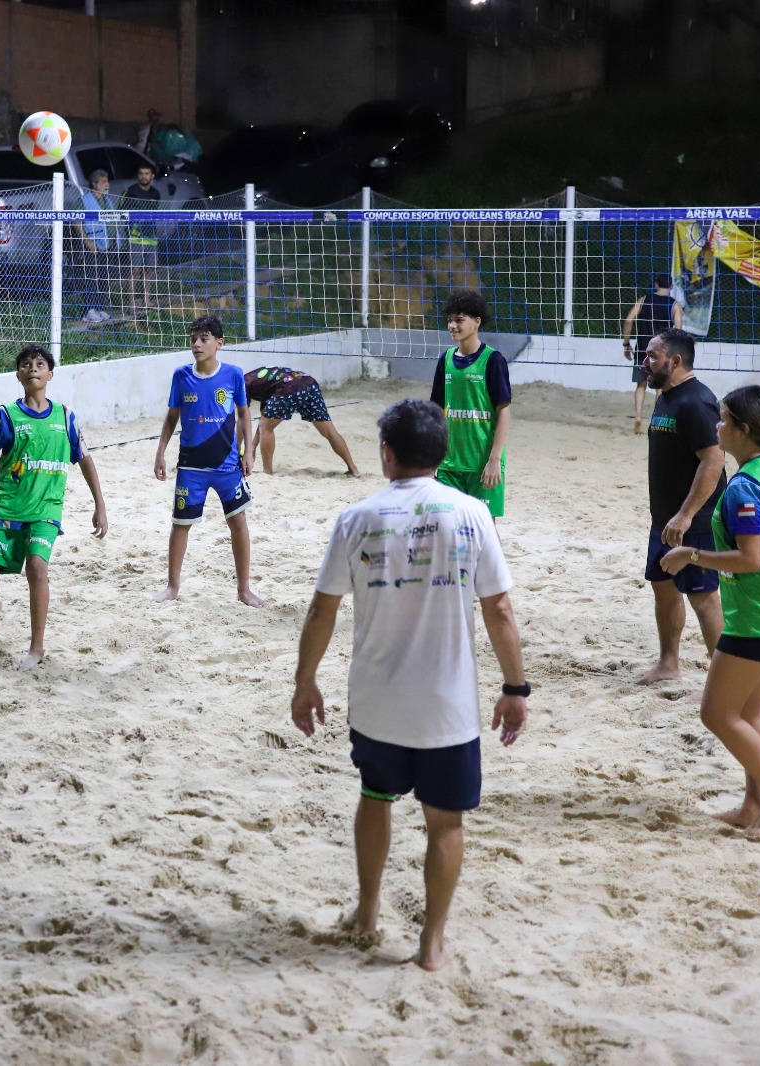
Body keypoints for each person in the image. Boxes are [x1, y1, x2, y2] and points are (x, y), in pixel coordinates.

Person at [291, 399, 528, 971]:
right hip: (447, 707)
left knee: (375, 797)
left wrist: (305, 681)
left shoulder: (358, 517)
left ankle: (368, 911)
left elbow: (322, 611)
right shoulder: (471, 513)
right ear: (443, 455)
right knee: (445, 822)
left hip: (377, 700)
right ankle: (431, 944)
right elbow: (499, 610)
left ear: (386, 453)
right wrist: (515, 688)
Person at [660, 385, 760, 841]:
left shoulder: (743, 487)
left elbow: (751, 560)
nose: (716, 426)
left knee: (717, 714)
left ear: (744, 431)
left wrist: (692, 554)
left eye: (723, 420)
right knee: (751, 709)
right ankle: (754, 804)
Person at [0, 345, 108, 671]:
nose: (33, 369)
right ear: (18, 374)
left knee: (37, 568)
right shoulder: (5, 416)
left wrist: (100, 504)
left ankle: (36, 647)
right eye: (26, 365)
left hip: (46, 511)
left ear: (50, 374)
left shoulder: (65, 417)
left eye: (40, 364)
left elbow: (85, 459)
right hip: (5, 508)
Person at [154, 315, 264, 607]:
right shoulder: (181, 375)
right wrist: (160, 451)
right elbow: (171, 417)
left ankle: (244, 590)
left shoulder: (233, 375)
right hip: (191, 465)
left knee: (238, 521)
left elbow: (244, 413)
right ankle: (172, 587)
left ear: (219, 343)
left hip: (228, 464)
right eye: (193, 339)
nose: (197, 344)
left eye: (203, 339)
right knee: (180, 524)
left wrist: (249, 452)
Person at [640, 328, 726, 685]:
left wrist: (686, 514)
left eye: (652, 356)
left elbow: (714, 460)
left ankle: (723, 683)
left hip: (695, 522)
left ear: (675, 361)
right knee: (663, 586)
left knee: (703, 598)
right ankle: (668, 665)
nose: (645, 362)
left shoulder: (698, 401)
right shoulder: (666, 396)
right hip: (665, 519)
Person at [430, 290, 512, 521]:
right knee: (448, 527)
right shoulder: (445, 360)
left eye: (459, 320)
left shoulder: (493, 360)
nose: (452, 326)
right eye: (449, 320)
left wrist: (495, 460)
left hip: (482, 464)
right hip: (449, 464)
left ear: (476, 322)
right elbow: (435, 412)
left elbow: (504, 412)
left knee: (483, 528)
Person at [244, 366, 360, 477]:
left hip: (290, 386)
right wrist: (253, 445)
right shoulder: (259, 382)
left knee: (266, 427)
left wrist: (247, 447)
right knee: (330, 431)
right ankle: (353, 469)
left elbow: (243, 418)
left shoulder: (243, 385)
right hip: (308, 382)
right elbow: (265, 415)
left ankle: (267, 472)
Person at [621, 275, 683, 434]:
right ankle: (655, 421)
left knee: (640, 385)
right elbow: (678, 331)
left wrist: (626, 344)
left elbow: (628, 321)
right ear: (671, 286)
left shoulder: (644, 300)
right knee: (660, 388)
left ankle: (638, 417)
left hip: (643, 349)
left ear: (656, 284)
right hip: (663, 352)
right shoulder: (675, 305)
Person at [72, 169, 118, 324]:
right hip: (92, 244)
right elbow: (76, 221)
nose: (107, 184)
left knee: (104, 278)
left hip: (108, 244)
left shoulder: (107, 200)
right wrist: (86, 240)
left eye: (107, 181)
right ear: (94, 184)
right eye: (103, 182)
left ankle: (100, 307)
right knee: (92, 277)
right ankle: (89, 310)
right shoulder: (84, 200)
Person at [119, 165, 162, 315]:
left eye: (147, 173)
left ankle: (146, 300)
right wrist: (130, 230)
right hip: (136, 237)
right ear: (137, 176)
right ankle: (131, 304)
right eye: (141, 173)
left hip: (151, 237)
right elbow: (120, 212)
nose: (144, 176)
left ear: (152, 176)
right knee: (134, 270)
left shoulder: (156, 194)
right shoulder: (130, 192)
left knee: (148, 270)